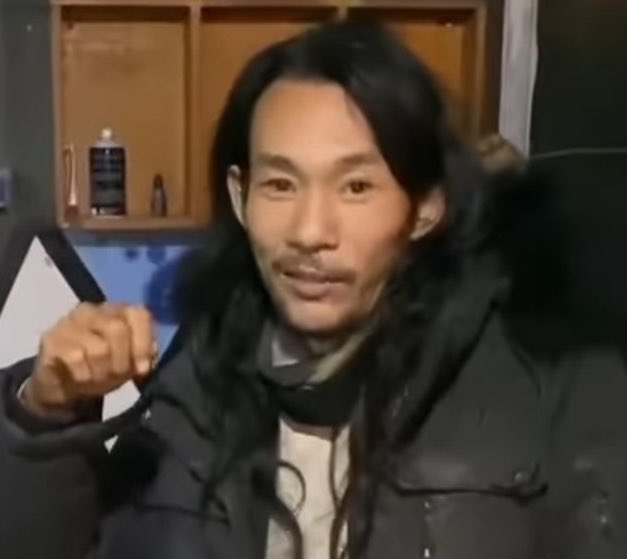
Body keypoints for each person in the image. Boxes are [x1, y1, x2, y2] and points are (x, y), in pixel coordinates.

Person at [1, 21, 627, 559]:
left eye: (356, 187)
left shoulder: (549, 386)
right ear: (241, 198)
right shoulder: (198, 384)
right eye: (280, 185)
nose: (308, 233)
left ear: (425, 208)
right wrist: (45, 414)